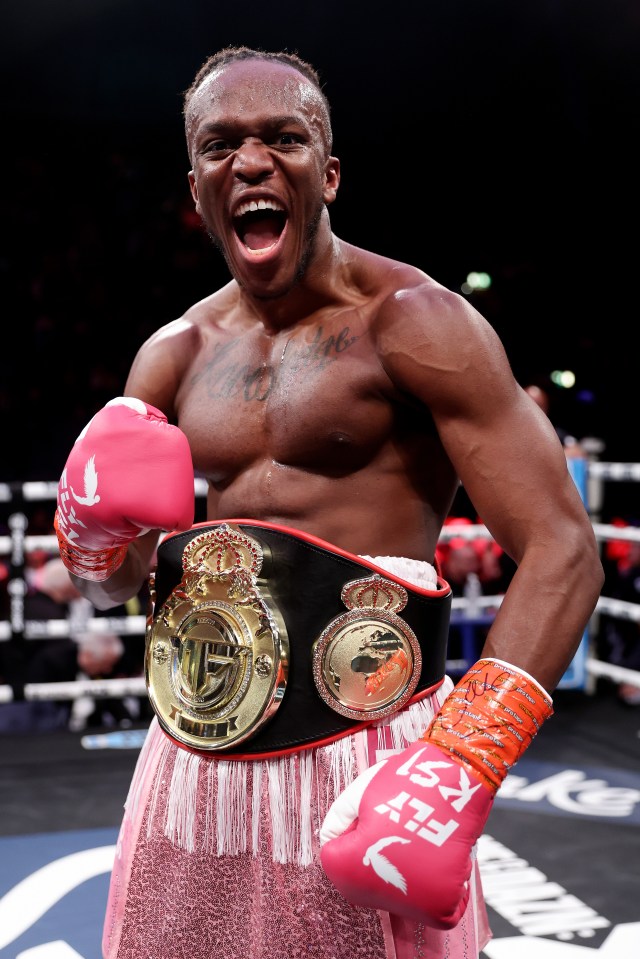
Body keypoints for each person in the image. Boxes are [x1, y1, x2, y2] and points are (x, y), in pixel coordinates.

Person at [52, 47, 603, 959]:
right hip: (192, 762)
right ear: (196, 188)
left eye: (284, 138)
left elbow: (562, 546)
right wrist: (91, 544)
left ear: (330, 173)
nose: (253, 162)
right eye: (221, 145)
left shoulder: (415, 323)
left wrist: (459, 761)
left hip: (368, 758)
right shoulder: (172, 355)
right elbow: (121, 592)